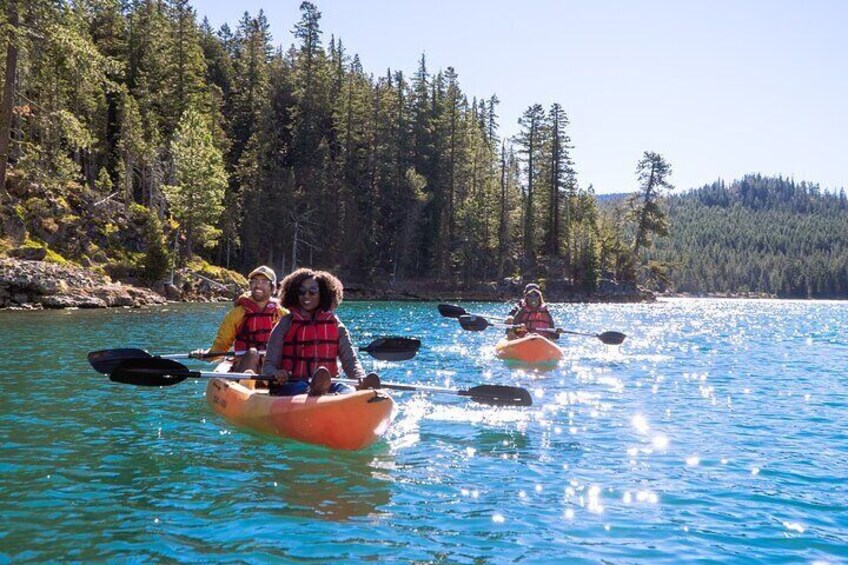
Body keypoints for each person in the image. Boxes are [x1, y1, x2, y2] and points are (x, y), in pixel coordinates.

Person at [261, 268, 380, 396]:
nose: (306, 296)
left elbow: (350, 361)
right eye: (301, 292)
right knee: (301, 386)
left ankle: (364, 393)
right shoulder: (286, 323)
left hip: (328, 384)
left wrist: (360, 377)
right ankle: (314, 393)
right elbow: (268, 365)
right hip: (292, 384)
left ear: (323, 294)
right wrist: (275, 373)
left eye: (312, 292)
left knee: (346, 390)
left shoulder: (336, 324)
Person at [190, 266, 287, 385]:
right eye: (254, 281)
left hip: (271, 367)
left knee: (270, 358)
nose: (258, 285)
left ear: (273, 288)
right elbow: (222, 344)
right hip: (243, 365)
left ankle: (273, 387)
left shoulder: (282, 314)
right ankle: (246, 383)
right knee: (252, 353)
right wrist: (206, 354)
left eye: (264, 282)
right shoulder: (238, 313)